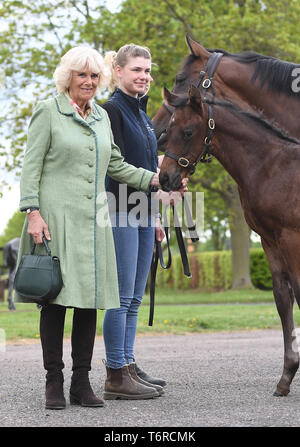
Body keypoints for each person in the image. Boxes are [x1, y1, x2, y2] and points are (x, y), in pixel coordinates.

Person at [14, 46, 162, 409]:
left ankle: (82, 384)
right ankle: (54, 382)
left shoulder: (100, 117)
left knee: (89, 304)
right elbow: (30, 167)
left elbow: (117, 165)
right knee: (54, 302)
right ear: (69, 77)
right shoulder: (49, 111)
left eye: (95, 76)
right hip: (54, 221)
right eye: (82, 75)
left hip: (93, 224)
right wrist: (32, 212)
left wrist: (155, 180)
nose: (89, 82)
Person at [101, 44, 184, 400]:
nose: (144, 77)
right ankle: (115, 373)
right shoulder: (111, 112)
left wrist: (154, 215)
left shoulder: (143, 116)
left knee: (135, 298)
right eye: (136, 70)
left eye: (148, 71)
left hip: (141, 212)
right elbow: (115, 166)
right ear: (118, 71)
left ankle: (128, 364)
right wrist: (157, 182)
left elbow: (148, 163)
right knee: (120, 298)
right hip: (118, 208)